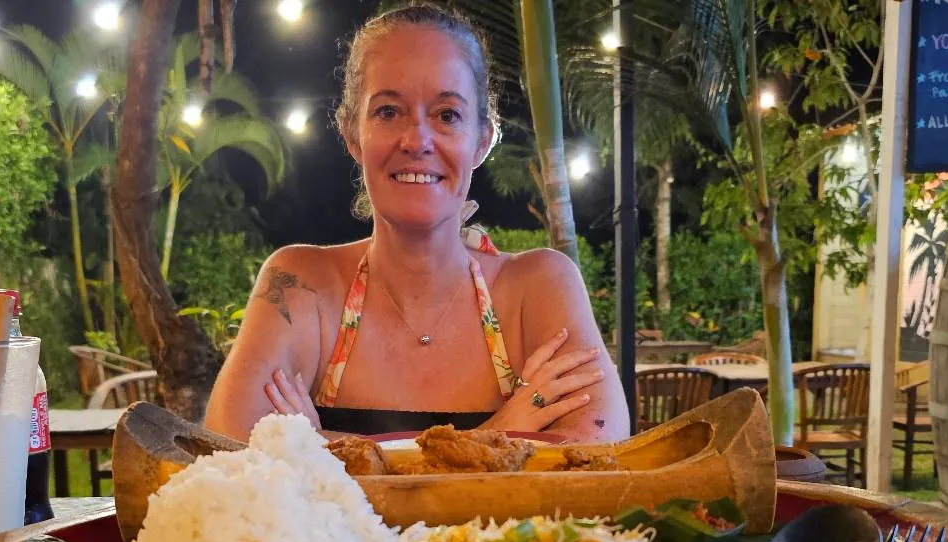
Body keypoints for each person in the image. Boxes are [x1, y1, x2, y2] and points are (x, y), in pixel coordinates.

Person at [204, 2, 629, 443]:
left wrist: (325, 447)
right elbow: (231, 445)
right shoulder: (300, 283)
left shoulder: (538, 286)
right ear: (352, 132)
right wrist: (497, 434)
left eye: (447, 115)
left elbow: (594, 444)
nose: (417, 140)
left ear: (482, 139)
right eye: (388, 111)